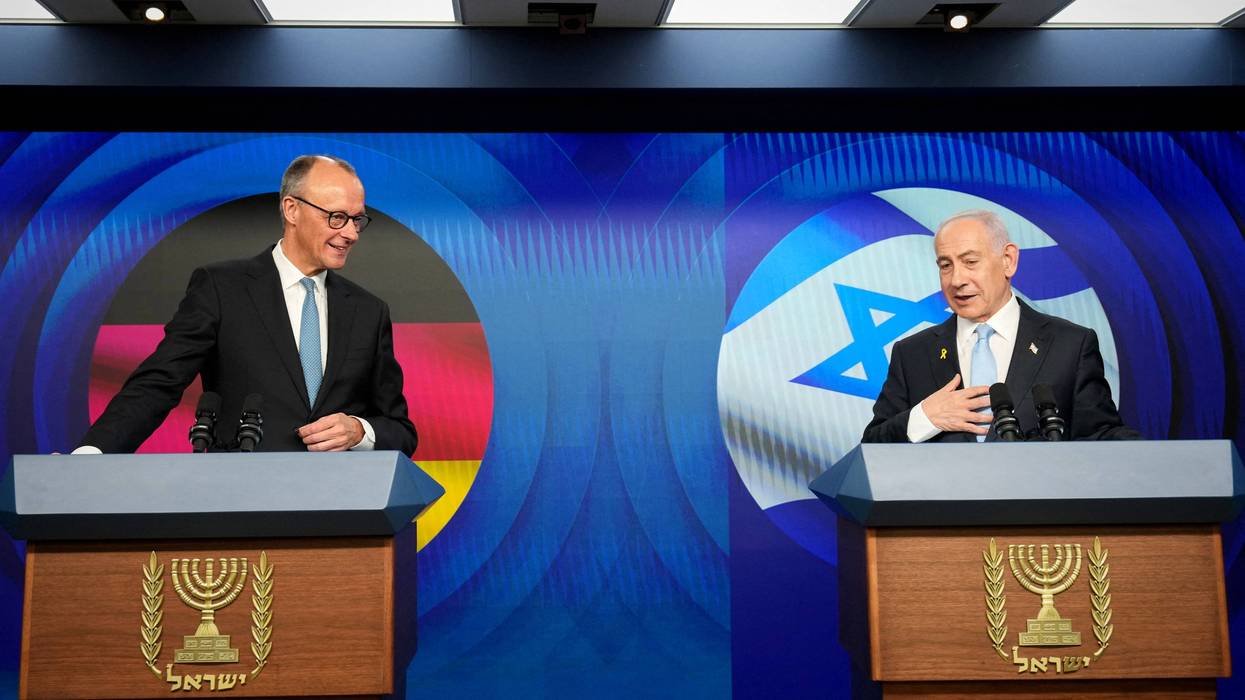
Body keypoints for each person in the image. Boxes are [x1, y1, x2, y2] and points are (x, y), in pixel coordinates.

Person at [75, 155, 418, 455]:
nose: (351, 234)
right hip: (242, 499)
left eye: (357, 220)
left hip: (345, 503)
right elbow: (159, 383)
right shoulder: (222, 288)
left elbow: (400, 430)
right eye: (337, 217)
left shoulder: (369, 311)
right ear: (292, 209)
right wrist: (92, 454)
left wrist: (359, 431)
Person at [862, 209, 1138, 443]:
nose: (956, 279)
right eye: (945, 265)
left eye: (970, 262)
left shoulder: (1070, 345)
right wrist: (924, 418)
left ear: (1008, 260)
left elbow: (1101, 438)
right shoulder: (912, 354)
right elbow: (872, 447)